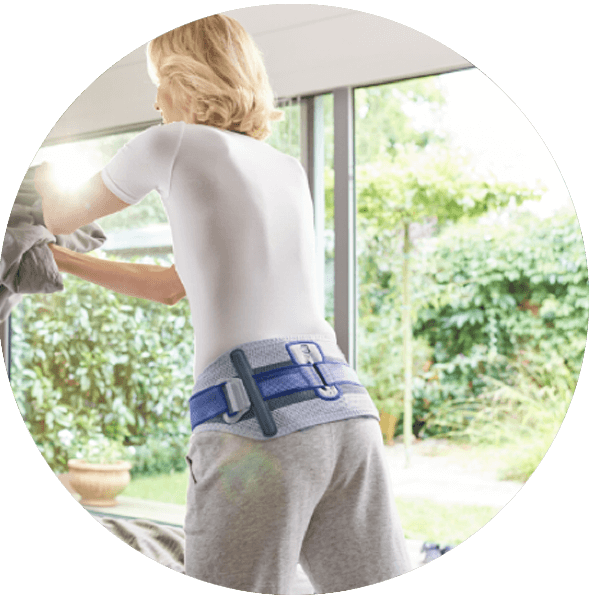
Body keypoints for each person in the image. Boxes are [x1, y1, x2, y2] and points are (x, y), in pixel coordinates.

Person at [35, 14, 412, 593]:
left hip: (256, 418)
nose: (157, 100)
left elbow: (51, 214)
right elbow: (170, 286)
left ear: (183, 77)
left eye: (159, 78)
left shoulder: (169, 140)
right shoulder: (287, 170)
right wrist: (61, 261)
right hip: (345, 413)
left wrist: (45, 231)